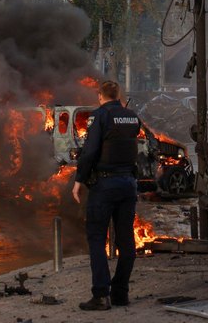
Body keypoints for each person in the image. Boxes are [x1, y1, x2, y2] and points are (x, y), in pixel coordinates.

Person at [72, 80, 141, 311]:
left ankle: (101, 295)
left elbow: (90, 151)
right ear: (118, 95)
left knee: (96, 238)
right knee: (126, 240)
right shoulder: (132, 117)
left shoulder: (99, 116)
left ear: (100, 96)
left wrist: (79, 180)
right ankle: (121, 293)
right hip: (128, 184)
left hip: (105, 184)